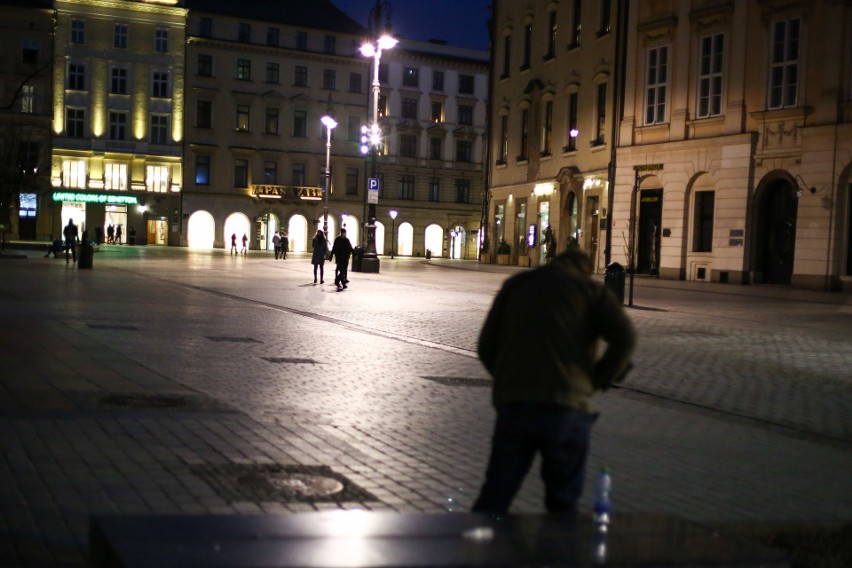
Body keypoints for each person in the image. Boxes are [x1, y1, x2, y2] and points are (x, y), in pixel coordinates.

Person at [472, 249, 636, 515]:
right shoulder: (590, 290)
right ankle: (557, 553)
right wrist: (596, 380)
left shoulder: (517, 285)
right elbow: (626, 339)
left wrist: (509, 379)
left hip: (515, 406)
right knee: (563, 502)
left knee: (496, 493)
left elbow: (484, 347)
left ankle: (477, 550)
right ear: (584, 269)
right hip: (566, 409)